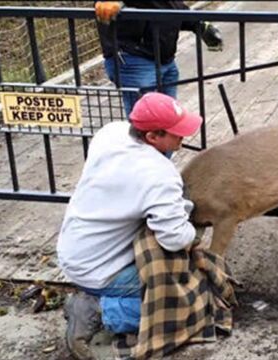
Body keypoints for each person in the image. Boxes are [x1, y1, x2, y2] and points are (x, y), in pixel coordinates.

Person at [57, 92, 205, 360]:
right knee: (185, 304)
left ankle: (95, 298)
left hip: (73, 251)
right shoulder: (158, 174)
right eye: (176, 134)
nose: (183, 139)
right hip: (101, 268)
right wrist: (194, 232)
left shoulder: (111, 132)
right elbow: (175, 238)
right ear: (152, 137)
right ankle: (98, 310)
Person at [95, 0, 223, 116]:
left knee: (169, 117)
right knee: (145, 122)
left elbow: (172, 7)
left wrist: (198, 24)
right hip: (134, 58)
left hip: (164, 59)